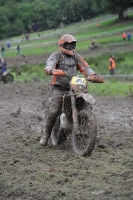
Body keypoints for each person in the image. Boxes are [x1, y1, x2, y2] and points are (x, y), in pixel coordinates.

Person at [40, 34, 104, 146]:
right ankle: (46, 135)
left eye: (72, 44)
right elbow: (49, 65)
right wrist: (51, 70)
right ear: (62, 45)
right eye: (68, 45)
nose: (70, 47)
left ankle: (85, 127)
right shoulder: (57, 56)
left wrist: (93, 75)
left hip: (75, 87)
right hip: (59, 88)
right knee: (54, 110)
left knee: (84, 104)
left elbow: (86, 68)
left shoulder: (77, 58)